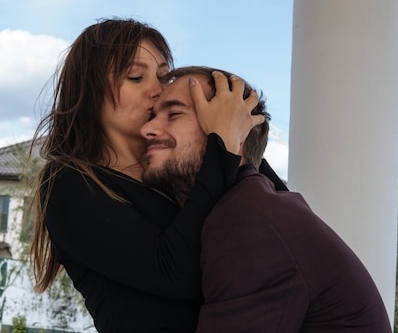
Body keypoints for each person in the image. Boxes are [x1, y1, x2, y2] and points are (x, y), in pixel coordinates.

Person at [28, 18, 267, 333]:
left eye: (163, 76)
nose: (157, 90)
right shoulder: (69, 183)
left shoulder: (178, 160)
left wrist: (234, 129)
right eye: (135, 76)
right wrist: (222, 145)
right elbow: (173, 272)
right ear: (89, 89)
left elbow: (273, 207)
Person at [141, 66, 393, 333]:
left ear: (234, 130)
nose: (147, 128)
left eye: (174, 113)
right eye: (154, 115)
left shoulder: (246, 219)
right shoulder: (255, 203)